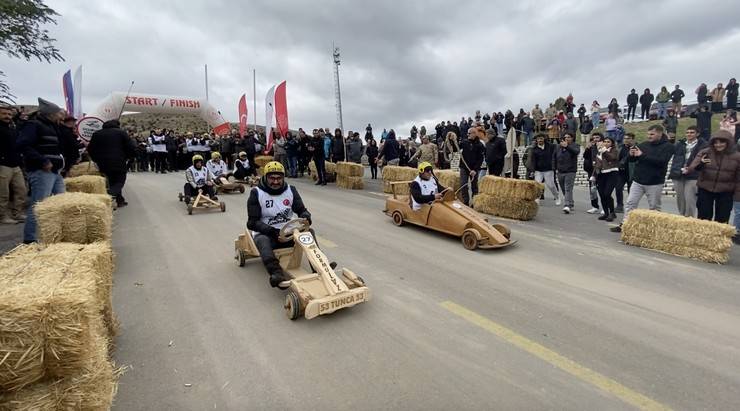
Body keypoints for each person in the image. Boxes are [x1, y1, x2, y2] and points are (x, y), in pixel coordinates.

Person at [246, 161, 313, 288]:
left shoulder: (290, 190)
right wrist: (271, 231)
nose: (276, 182)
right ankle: (276, 273)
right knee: (262, 240)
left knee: (310, 233)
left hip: (288, 232)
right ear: (265, 177)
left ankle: (319, 268)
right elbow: (252, 223)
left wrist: (306, 215)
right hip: (268, 233)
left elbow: (301, 209)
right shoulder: (257, 193)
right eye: (272, 178)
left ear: (283, 177)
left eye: (279, 178)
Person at [16, 98, 67, 243]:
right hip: (41, 171)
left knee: (61, 201)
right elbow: (23, 146)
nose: (61, 115)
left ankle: (57, 234)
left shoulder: (52, 126)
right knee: (39, 205)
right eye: (58, 113)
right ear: (50, 114)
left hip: (55, 172)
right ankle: (30, 240)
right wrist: (43, 161)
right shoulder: (34, 125)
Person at [611, 125, 674, 232]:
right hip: (638, 180)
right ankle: (625, 224)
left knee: (654, 206)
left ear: (660, 134)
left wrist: (641, 155)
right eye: (648, 134)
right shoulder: (644, 145)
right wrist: (631, 155)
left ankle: (654, 228)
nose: (649, 136)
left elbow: (661, 162)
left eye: (652, 134)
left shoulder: (668, 146)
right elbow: (632, 161)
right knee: (630, 203)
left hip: (655, 181)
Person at [685, 130, 739, 223]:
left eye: (722, 142)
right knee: (704, 217)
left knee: (722, 218)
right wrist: (701, 164)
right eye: (716, 142)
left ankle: (718, 237)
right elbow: (692, 168)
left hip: (726, 190)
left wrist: (737, 196)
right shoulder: (705, 152)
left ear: (728, 142)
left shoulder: (737, 156)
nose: (718, 145)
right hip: (705, 188)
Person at [87, 119, 136, 207]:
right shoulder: (121, 133)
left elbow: (90, 149)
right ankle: (108, 195)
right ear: (117, 125)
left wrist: (96, 159)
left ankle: (120, 200)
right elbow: (131, 147)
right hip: (119, 161)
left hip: (102, 163)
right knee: (120, 181)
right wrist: (129, 157)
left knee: (112, 181)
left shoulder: (96, 134)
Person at [668, 126, 707, 217]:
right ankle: (682, 216)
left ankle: (689, 218)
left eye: (692, 132)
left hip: (693, 175)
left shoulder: (703, 145)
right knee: (680, 199)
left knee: (690, 198)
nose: (689, 134)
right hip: (678, 173)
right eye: (687, 132)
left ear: (697, 134)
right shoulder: (680, 144)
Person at [0, 104, 27, 224]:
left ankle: (17, 213)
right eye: (4, 114)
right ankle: (2, 216)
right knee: (3, 193)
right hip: (3, 164)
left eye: (9, 114)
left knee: (21, 190)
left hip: (15, 164)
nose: (7, 116)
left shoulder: (12, 128)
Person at [593, 137, 620, 222]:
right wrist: (594, 175)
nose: (606, 143)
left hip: (612, 173)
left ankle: (612, 212)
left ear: (612, 143)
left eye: (608, 142)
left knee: (607, 193)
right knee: (601, 194)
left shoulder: (614, 150)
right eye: (604, 141)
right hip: (601, 174)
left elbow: (611, 158)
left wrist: (604, 150)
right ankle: (606, 213)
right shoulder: (600, 151)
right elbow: (597, 164)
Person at [530, 134, 559, 204]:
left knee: (551, 185)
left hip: (548, 169)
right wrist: (532, 171)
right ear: (536, 140)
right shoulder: (534, 150)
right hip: (538, 170)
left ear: (544, 139)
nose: (540, 140)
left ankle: (557, 197)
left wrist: (555, 166)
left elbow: (557, 148)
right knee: (538, 185)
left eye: (541, 138)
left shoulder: (550, 146)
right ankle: (537, 199)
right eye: (538, 139)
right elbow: (533, 161)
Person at [459, 127, 485, 206]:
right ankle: (465, 201)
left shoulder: (480, 145)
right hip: (464, 167)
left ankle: (474, 202)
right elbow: (455, 147)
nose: (468, 135)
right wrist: (451, 140)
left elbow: (480, 159)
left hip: (474, 168)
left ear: (474, 133)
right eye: (467, 133)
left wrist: (475, 169)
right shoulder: (464, 142)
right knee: (463, 184)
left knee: (474, 186)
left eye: (469, 133)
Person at [554, 133, 579, 214]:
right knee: (563, 189)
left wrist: (567, 147)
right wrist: (554, 168)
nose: (567, 138)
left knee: (568, 188)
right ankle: (570, 202)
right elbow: (554, 157)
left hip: (570, 171)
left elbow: (576, 152)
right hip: (560, 171)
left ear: (572, 138)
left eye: (569, 137)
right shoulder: (558, 147)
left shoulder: (575, 145)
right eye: (565, 137)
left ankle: (567, 205)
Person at [616, 133, 637, 212]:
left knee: (631, 191)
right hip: (621, 172)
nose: (626, 140)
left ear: (633, 139)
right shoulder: (621, 147)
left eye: (628, 138)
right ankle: (619, 205)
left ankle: (631, 207)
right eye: (624, 138)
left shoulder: (637, 148)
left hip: (632, 173)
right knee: (618, 188)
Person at [583, 133, 602, 214]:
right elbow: (585, 157)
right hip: (592, 171)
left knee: (602, 190)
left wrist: (600, 148)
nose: (595, 139)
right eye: (594, 138)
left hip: (602, 171)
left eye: (597, 137)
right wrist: (587, 149)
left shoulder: (604, 147)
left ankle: (605, 207)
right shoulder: (591, 147)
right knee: (592, 189)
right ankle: (594, 206)